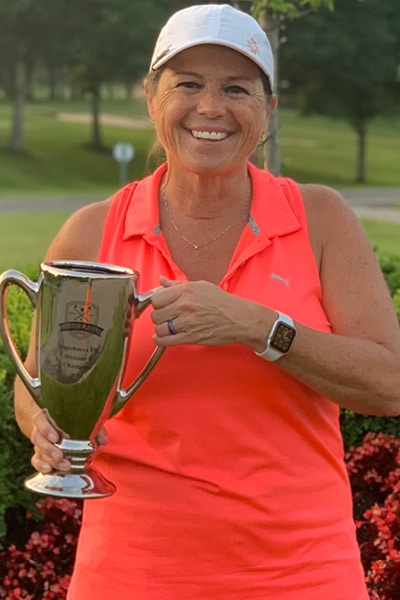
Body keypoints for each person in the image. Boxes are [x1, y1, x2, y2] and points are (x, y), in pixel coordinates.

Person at [13, 4, 400, 599]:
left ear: (267, 111)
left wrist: (261, 328)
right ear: (151, 97)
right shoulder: (94, 233)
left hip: (303, 573)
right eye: (187, 84)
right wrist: (40, 425)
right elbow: (36, 380)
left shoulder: (319, 219)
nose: (211, 107)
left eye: (236, 88)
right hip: (129, 573)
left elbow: (389, 384)